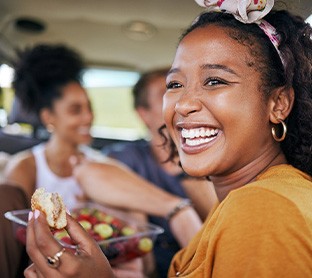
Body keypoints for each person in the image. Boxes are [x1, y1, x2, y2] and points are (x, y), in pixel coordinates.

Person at [24, 0, 312, 277]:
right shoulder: (238, 205)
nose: (183, 104)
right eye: (175, 84)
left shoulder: (264, 209)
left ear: (278, 103)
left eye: (215, 81)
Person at [103, 67, 217, 277]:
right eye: (169, 91)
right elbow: (90, 173)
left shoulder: (211, 159)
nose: (182, 100)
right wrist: (177, 210)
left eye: (182, 89)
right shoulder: (127, 156)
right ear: (143, 114)